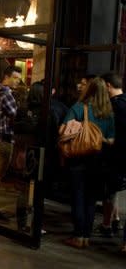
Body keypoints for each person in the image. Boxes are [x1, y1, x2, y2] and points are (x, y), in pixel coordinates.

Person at [60, 77, 114, 248]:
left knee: (78, 197)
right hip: (99, 161)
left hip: (78, 159)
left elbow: (63, 130)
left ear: (88, 90)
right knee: (91, 199)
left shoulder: (78, 107)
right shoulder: (108, 113)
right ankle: (87, 237)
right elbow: (112, 140)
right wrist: (98, 139)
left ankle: (78, 236)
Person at [0, 65, 22, 221]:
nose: (17, 81)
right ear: (6, 77)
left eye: (19, 79)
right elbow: (16, 114)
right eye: (15, 78)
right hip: (3, 138)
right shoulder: (6, 94)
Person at [100, 72, 126, 240]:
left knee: (110, 191)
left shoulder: (113, 106)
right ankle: (115, 220)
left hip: (115, 155)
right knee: (116, 189)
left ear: (108, 85)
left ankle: (107, 224)